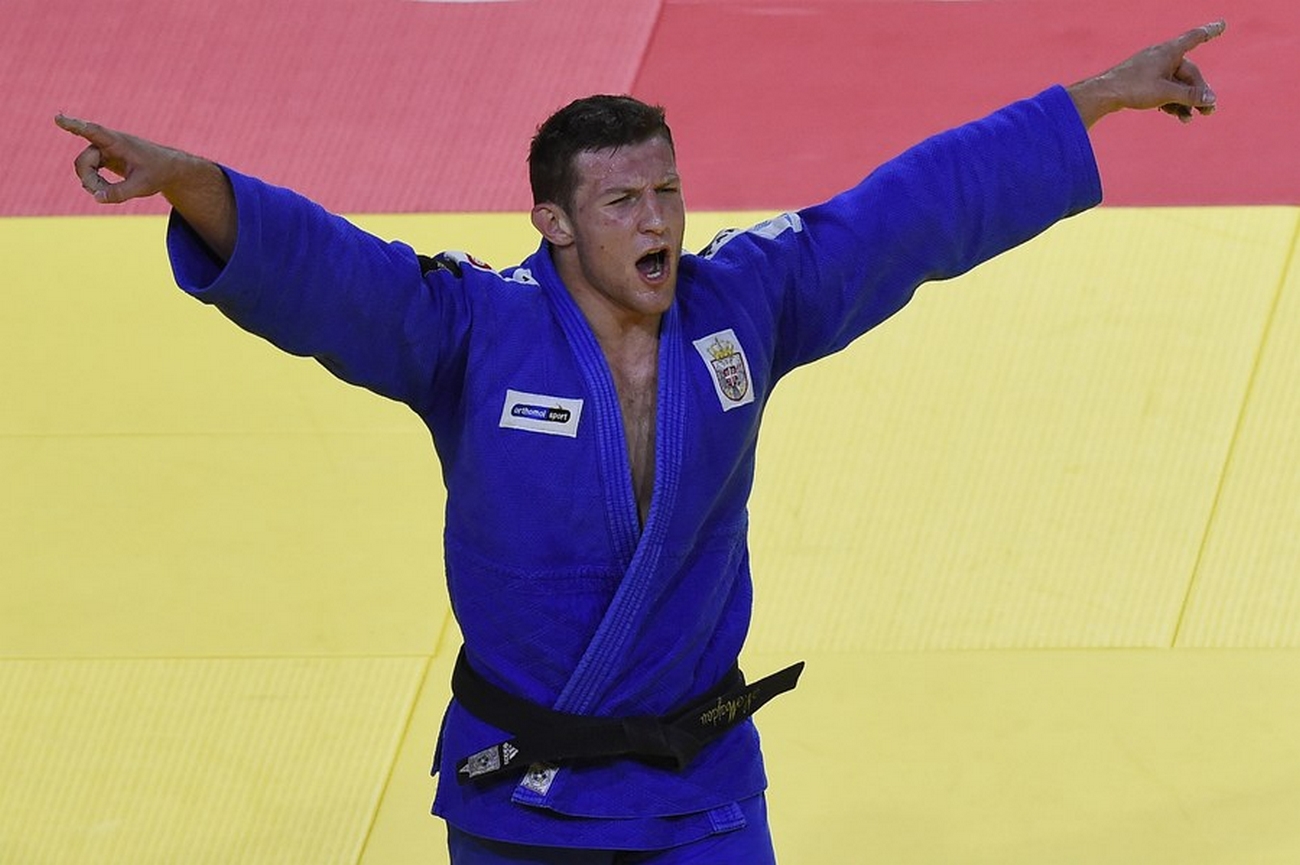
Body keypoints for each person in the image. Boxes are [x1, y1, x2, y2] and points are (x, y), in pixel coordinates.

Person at [57, 20, 1225, 864]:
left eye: (667, 190)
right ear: (553, 223)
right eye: (623, 202)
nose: (661, 219)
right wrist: (195, 184)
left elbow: (906, 214)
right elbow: (329, 275)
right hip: (524, 799)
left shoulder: (744, 304)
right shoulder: (469, 330)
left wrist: (1093, 100)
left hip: (698, 790)